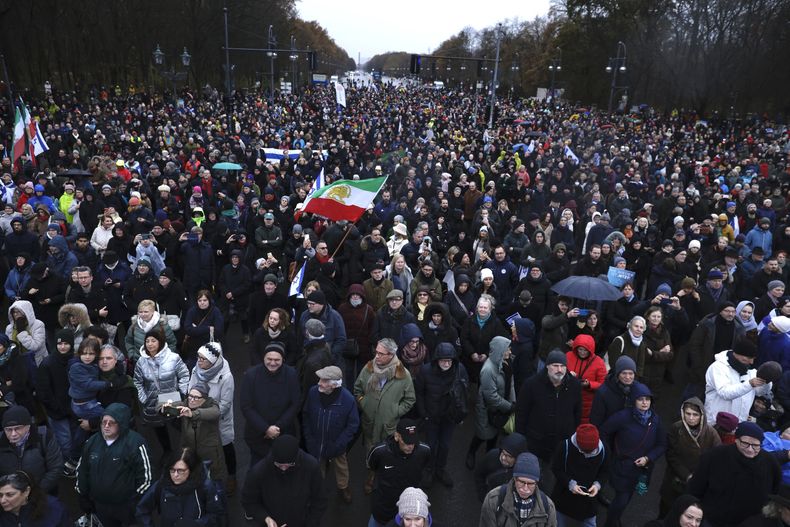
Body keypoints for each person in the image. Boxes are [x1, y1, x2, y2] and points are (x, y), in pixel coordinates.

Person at [354, 338, 416, 494]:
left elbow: (410, 399)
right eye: (376, 352)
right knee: (370, 450)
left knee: (387, 452)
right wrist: (363, 402)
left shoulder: (403, 374)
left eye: (381, 354)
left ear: (391, 355)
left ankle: (383, 477)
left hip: (388, 426)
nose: (377, 356)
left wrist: (395, 411)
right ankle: (370, 476)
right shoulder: (369, 368)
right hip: (369, 422)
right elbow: (357, 388)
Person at [689, 422, 781, 527]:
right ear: (736, 440)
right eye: (745, 443)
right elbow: (696, 486)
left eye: (756, 445)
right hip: (712, 519)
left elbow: (775, 491)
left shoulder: (770, 463)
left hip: (749, 523)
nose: (750, 449)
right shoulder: (714, 456)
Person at [600, 383, 667, 527]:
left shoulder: (655, 420)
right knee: (622, 499)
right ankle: (611, 522)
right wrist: (609, 452)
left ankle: (614, 519)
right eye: (640, 399)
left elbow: (662, 444)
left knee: (626, 498)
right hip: (622, 466)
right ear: (633, 400)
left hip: (642, 470)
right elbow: (604, 431)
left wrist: (648, 458)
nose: (644, 402)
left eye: (647, 399)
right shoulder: (623, 417)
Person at [76, 403, 153, 527]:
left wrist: (136, 501)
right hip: (100, 506)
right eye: (104, 422)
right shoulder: (91, 442)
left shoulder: (135, 443)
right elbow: (82, 470)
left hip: (126, 506)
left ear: (122, 424)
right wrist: (82, 495)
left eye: (111, 423)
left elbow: (146, 477)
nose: (106, 426)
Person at [515, 349, 582, 486]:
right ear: (547, 366)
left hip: (562, 443)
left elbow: (577, 412)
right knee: (534, 477)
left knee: (556, 477)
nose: (560, 370)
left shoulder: (575, 385)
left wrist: (573, 436)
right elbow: (521, 414)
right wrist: (522, 439)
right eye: (555, 365)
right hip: (536, 443)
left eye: (563, 366)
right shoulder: (531, 384)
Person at [241, 434, 327, 527]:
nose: (283, 469)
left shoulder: (311, 466)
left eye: (289, 465)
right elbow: (249, 501)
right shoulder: (259, 472)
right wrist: (265, 518)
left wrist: (310, 524)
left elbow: (319, 500)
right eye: (279, 465)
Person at [302, 365, 360, 504]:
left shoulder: (348, 399)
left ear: (334, 385)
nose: (319, 383)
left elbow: (353, 425)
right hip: (316, 443)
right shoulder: (313, 392)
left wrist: (339, 444)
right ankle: (318, 488)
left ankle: (343, 487)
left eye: (323, 381)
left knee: (341, 467)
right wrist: (309, 439)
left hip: (336, 445)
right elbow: (306, 415)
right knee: (317, 467)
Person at [416, 341, 469, 488]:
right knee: (431, 445)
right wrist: (424, 414)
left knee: (445, 446)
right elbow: (419, 393)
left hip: (449, 417)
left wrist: (460, 414)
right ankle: (429, 470)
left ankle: (440, 469)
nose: (446, 364)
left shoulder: (459, 370)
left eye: (449, 361)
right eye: (443, 360)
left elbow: (464, 392)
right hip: (431, 416)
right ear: (437, 360)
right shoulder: (425, 371)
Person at [659, 397, 721, 517]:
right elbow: (671, 456)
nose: (691, 418)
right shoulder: (676, 428)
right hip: (675, 479)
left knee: (687, 515)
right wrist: (686, 475)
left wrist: (700, 477)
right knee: (666, 512)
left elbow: (717, 459)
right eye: (688, 413)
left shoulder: (711, 433)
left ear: (701, 415)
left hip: (698, 482)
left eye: (695, 414)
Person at [240, 342, 300, 465]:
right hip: (257, 435)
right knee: (258, 469)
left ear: (283, 359)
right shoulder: (251, 375)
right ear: (264, 358)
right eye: (269, 359)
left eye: (277, 360)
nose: (272, 363)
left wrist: (277, 427)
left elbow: (295, 404)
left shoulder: (291, 374)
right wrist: (265, 428)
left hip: (284, 433)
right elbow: (246, 406)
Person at [188, 342, 237, 493]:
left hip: (219, 420)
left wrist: (206, 414)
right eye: (198, 357)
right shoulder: (196, 369)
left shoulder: (226, 377)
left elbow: (225, 404)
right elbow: (190, 389)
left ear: (213, 361)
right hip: (199, 417)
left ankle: (232, 476)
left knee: (226, 447)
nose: (199, 361)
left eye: (203, 359)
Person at [136, 447, 226, 527]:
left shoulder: (205, 487)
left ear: (191, 470)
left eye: (181, 471)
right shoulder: (162, 485)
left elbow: (216, 515)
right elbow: (142, 509)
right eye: (172, 470)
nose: (175, 475)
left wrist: (198, 524)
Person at [133, 328, 190, 455]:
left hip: (172, 399)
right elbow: (137, 382)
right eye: (147, 341)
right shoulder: (141, 362)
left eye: (153, 341)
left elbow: (184, 375)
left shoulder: (173, 358)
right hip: (152, 402)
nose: (150, 344)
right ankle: (167, 452)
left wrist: (182, 391)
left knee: (178, 425)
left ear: (160, 342)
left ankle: (185, 451)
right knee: (159, 428)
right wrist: (143, 397)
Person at [366, 418, 432, 527]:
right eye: (407, 442)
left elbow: (425, 464)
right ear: (397, 436)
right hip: (384, 506)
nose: (411, 446)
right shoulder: (380, 452)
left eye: (413, 442)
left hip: (409, 507)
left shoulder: (424, 451)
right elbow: (372, 465)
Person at [467, 336, 515, 470]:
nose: (510, 352)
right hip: (488, 410)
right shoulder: (488, 370)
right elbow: (491, 397)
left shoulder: (506, 362)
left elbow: (511, 383)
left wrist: (513, 401)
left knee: (494, 435)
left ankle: (489, 459)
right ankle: (471, 453)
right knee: (482, 435)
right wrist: (509, 406)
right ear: (500, 350)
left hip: (500, 408)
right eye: (507, 349)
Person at [479, 452, 558, 527]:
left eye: (530, 484)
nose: (525, 488)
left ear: (536, 483)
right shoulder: (493, 499)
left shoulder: (548, 507)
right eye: (521, 482)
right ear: (514, 479)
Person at [551, 424, 608, 527]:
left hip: (589, 504)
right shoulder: (564, 446)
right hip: (563, 499)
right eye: (584, 451)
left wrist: (597, 485)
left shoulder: (604, 450)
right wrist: (570, 483)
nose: (587, 455)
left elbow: (605, 471)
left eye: (592, 451)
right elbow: (556, 469)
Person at [168, 384, 228, 481]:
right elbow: (162, 404)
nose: (191, 400)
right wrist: (163, 408)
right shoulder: (185, 403)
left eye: (196, 397)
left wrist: (193, 414)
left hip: (208, 452)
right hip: (189, 450)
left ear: (204, 399)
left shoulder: (212, 405)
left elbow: (215, 413)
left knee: (212, 478)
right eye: (190, 396)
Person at [704, 339, 773, 422]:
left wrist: (767, 382)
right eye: (749, 358)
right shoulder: (718, 368)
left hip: (739, 422)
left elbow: (760, 392)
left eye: (753, 358)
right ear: (737, 354)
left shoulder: (750, 371)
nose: (751, 362)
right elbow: (725, 393)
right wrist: (749, 384)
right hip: (717, 421)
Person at [0, 406, 63, 496]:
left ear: (28, 426)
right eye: (8, 430)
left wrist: (35, 493)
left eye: (18, 428)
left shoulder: (44, 437)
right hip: (9, 496)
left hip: (41, 494)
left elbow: (55, 468)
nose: (13, 434)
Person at [589, 355, 645, 427]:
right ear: (617, 374)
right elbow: (596, 420)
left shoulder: (639, 389)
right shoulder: (603, 392)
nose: (627, 377)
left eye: (631, 373)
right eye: (624, 373)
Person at [0, 471, 70, 527]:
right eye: (0, 495)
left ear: (26, 491)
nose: (2, 501)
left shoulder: (54, 508)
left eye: (10, 495)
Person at [474, 432, 529, 501]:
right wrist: (482, 494)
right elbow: (479, 474)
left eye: (509, 456)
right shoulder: (492, 456)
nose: (503, 457)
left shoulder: (526, 472)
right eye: (503, 452)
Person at [566, 334, 607, 424]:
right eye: (580, 349)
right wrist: (568, 375)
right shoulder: (568, 356)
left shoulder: (598, 362)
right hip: (569, 398)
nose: (582, 352)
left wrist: (589, 384)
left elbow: (603, 384)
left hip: (588, 402)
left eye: (585, 350)